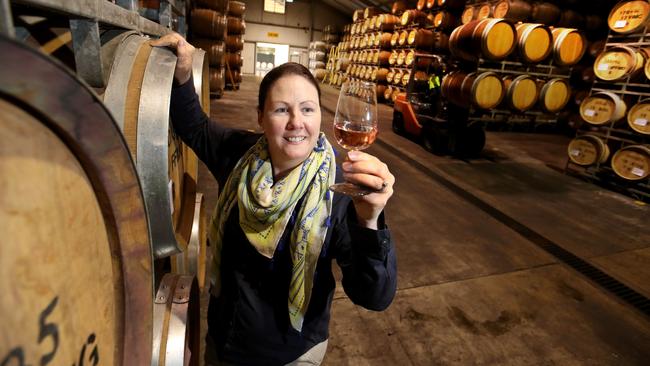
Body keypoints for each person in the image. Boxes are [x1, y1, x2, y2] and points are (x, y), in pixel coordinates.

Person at [151, 33, 397, 366]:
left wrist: (369, 221)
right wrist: (181, 76)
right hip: (225, 340)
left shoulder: (338, 193)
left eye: (307, 109)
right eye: (282, 109)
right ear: (261, 117)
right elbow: (194, 127)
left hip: (290, 354)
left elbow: (374, 296)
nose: (297, 122)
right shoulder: (240, 156)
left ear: (320, 117)